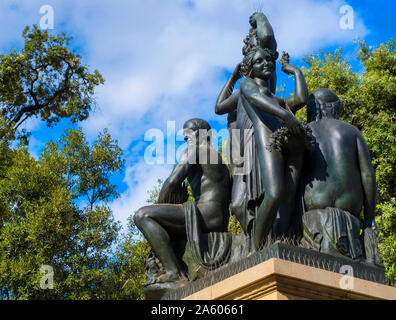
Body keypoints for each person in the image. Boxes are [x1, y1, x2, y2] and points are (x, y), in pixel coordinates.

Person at [134, 119, 231, 283]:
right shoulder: (217, 157)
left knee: (143, 216)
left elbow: (172, 181)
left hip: (204, 215)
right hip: (218, 218)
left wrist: (161, 206)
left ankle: (174, 272)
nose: (186, 141)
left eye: (187, 137)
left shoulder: (195, 151)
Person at [239, 46, 309, 251]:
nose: (266, 63)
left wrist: (295, 71)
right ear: (251, 68)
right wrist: (287, 116)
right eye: (259, 61)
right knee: (274, 193)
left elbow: (301, 99)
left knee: (289, 196)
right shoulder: (247, 84)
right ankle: (257, 249)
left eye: (268, 60)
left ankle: (279, 241)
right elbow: (256, 100)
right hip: (267, 139)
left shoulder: (276, 99)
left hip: (290, 144)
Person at [301, 89, 381, 264]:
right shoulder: (353, 132)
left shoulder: (304, 132)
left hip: (314, 211)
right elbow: (368, 175)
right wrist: (369, 218)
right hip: (351, 212)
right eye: (336, 108)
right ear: (327, 107)